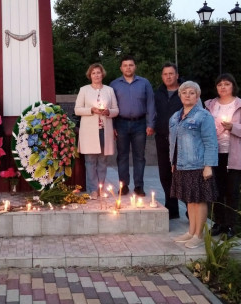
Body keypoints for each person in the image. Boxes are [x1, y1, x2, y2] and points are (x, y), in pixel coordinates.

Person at [170, 81, 218, 249]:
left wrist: (208, 165)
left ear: (197, 97)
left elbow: (211, 142)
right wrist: (173, 162)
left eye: (192, 93)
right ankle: (191, 231)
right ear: (180, 96)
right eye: (184, 92)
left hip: (198, 165)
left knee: (199, 200)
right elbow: (173, 142)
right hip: (181, 165)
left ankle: (199, 235)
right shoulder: (175, 117)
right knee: (190, 200)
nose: (187, 95)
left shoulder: (204, 116)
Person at [110, 55, 155, 196]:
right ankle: (123, 185)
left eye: (131, 65)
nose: (128, 68)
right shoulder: (114, 85)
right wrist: (112, 126)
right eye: (125, 65)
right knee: (122, 155)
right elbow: (110, 106)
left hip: (140, 123)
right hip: (121, 123)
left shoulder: (144, 83)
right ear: (121, 68)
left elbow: (151, 103)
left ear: (135, 67)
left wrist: (151, 123)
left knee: (139, 156)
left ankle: (139, 186)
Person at [74, 63, 119, 199]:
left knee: (102, 162)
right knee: (90, 161)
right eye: (93, 73)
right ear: (90, 75)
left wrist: (108, 112)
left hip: (104, 130)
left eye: (98, 72)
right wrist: (91, 110)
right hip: (89, 132)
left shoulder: (109, 90)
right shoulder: (84, 90)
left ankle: (101, 188)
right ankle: (93, 190)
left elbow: (116, 110)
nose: (96, 75)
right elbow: (77, 109)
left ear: (102, 74)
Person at [205, 73, 241, 239]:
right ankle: (219, 223)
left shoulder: (239, 104)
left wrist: (233, 127)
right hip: (215, 153)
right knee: (216, 190)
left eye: (226, 84)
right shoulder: (211, 105)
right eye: (220, 84)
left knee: (232, 191)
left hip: (234, 154)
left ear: (233, 86)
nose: (223, 87)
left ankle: (231, 225)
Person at [154, 63, 183, 219]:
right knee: (165, 174)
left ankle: (190, 208)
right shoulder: (158, 93)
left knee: (181, 174)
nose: (168, 77)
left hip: (181, 140)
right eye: (165, 74)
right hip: (162, 138)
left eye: (171, 73)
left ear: (177, 75)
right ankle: (172, 208)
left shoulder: (185, 91)